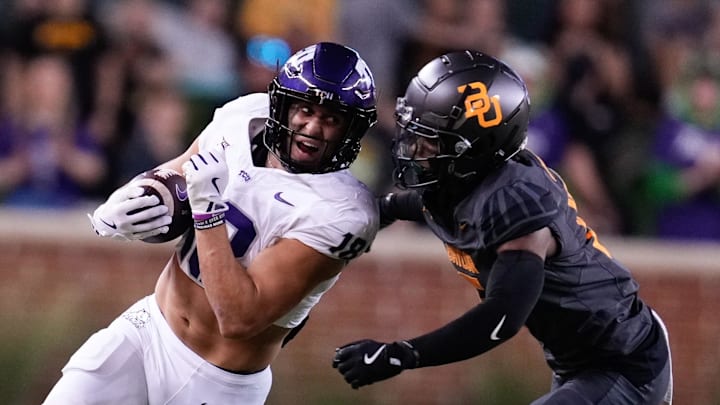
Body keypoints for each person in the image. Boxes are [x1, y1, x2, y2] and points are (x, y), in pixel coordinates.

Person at [43, 42, 379, 404]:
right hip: (149, 330)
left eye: (331, 118)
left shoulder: (344, 212)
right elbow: (181, 170)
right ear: (283, 104)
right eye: (306, 110)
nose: (313, 127)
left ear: (351, 129)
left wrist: (207, 212)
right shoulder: (245, 116)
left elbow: (238, 319)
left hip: (218, 384)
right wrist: (138, 194)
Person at [332, 51, 673, 405]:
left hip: (624, 363)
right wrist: (376, 213)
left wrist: (402, 354)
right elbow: (421, 204)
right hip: (584, 363)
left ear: (475, 146)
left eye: (431, 140)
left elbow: (503, 316)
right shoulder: (464, 183)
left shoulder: (516, 202)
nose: (416, 148)